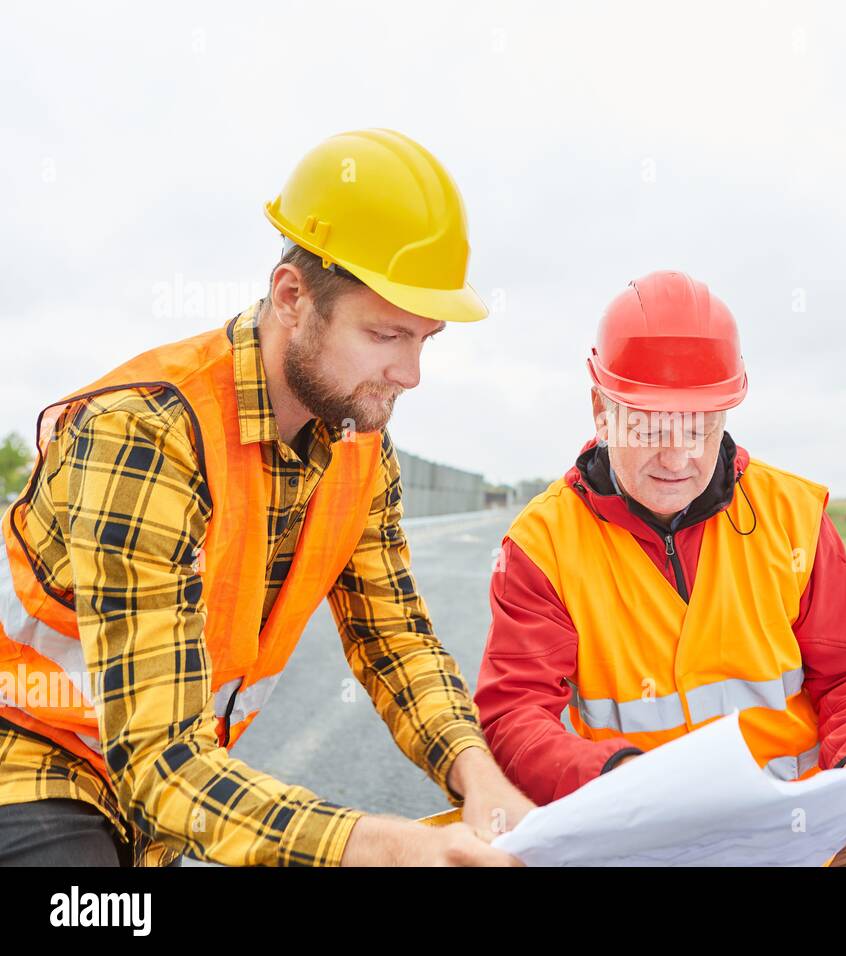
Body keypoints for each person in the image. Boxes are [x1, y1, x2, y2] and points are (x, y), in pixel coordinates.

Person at [0, 129, 533, 867]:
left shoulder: (361, 446)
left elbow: (395, 641)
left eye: (425, 339)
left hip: (164, 804)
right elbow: (157, 756)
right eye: (385, 334)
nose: (411, 373)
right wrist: (380, 847)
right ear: (292, 298)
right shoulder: (148, 433)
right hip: (31, 764)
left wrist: (480, 775)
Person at [474, 270, 846, 867]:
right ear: (600, 410)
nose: (679, 454)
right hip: (643, 847)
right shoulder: (544, 543)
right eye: (651, 423)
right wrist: (624, 784)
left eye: (700, 423)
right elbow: (515, 716)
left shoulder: (793, 515)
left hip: (816, 847)